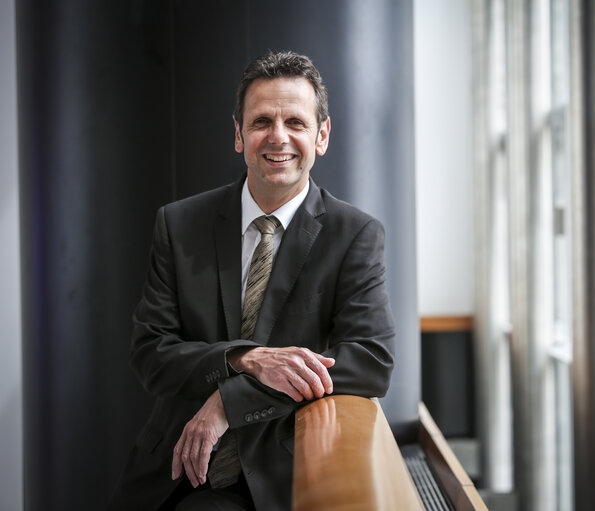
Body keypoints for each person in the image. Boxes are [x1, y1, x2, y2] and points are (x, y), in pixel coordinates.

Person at [109, 50, 396, 510]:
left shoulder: (355, 235)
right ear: (239, 135)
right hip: (174, 470)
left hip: (281, 473)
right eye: (262, 121)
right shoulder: (179, 224)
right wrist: (245, 360)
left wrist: (229, 401)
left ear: (322, 136)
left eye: (296, 123)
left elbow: (370, 359)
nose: (278, 137)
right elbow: (151, 353)